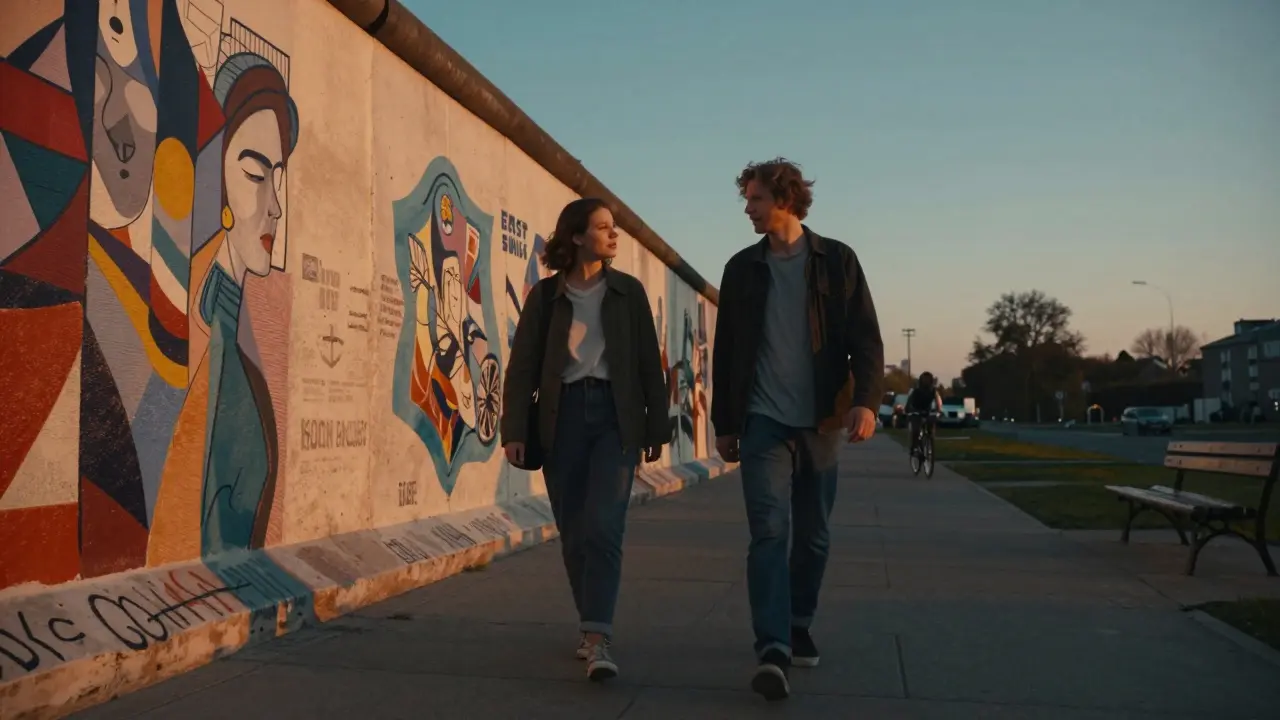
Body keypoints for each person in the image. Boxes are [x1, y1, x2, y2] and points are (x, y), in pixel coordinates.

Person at [712, 158, 884, 701]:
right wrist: (724, 421)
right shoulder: (742, 268)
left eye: (755, 198)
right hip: (763, 422)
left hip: (823, 420)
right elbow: (727, 351)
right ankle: (773, 646)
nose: (747, 208)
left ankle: (799, 619)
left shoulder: (837, 262)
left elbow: (867, 338)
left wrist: (866, 402)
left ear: (785, 199)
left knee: (812, 535)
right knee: (768, 532)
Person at [500, 197, 670, 682]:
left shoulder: (628, 293)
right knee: (574, 531)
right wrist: (515, 430)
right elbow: (522, 368)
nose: (613, 235)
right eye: (602, 227)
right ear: (576, 236)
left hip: (615, 417)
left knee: (604, 526)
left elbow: (647, 366)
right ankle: (588, 625)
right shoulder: (546, 297)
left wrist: (655, 428)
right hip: (562, 417)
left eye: (614, 228)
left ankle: (599, 640)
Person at [904, 372, 944, 456]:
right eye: (924, 379)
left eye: (928, 379)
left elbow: (938, 401)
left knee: (931, 426)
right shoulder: (916, 391)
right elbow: (910, 401)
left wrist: (939, 410)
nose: (926, 381)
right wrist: (908, 410)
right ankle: (914, 447)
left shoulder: (933, 391)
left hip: (927, 411)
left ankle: (930, 440)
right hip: (916, 410)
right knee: (916, 430)